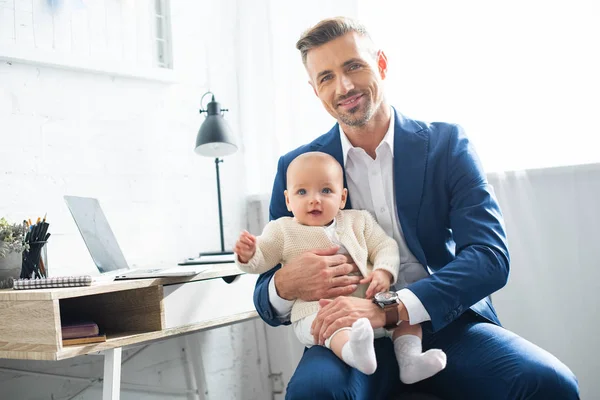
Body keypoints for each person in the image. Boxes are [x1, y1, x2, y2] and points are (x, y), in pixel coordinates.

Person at [252, 16, 579, 400]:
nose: (343, 86)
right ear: (315, 90)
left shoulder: (447, 144)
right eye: (326, 77)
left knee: (550, 383)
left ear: (382, 64)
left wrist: (391, 310)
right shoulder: (298, 168)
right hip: (346, 333)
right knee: (314, 395)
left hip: (444, 324)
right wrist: (285, 284)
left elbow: (490, 257)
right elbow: (264, 293)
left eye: (353, 66)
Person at [235, 152, 447, 384]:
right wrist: (249, 255)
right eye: (302, 192)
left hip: (371, 304)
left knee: (407, 319)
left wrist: (383, 271)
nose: (314, 199)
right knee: (333, 330)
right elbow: (262, 258)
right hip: (317, 311)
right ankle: (354, 354)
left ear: (342, 197)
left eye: (326, 191)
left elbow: (384, 246)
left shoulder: (359, 221)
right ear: (288, 200)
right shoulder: (281, 231)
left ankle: (410, 361)